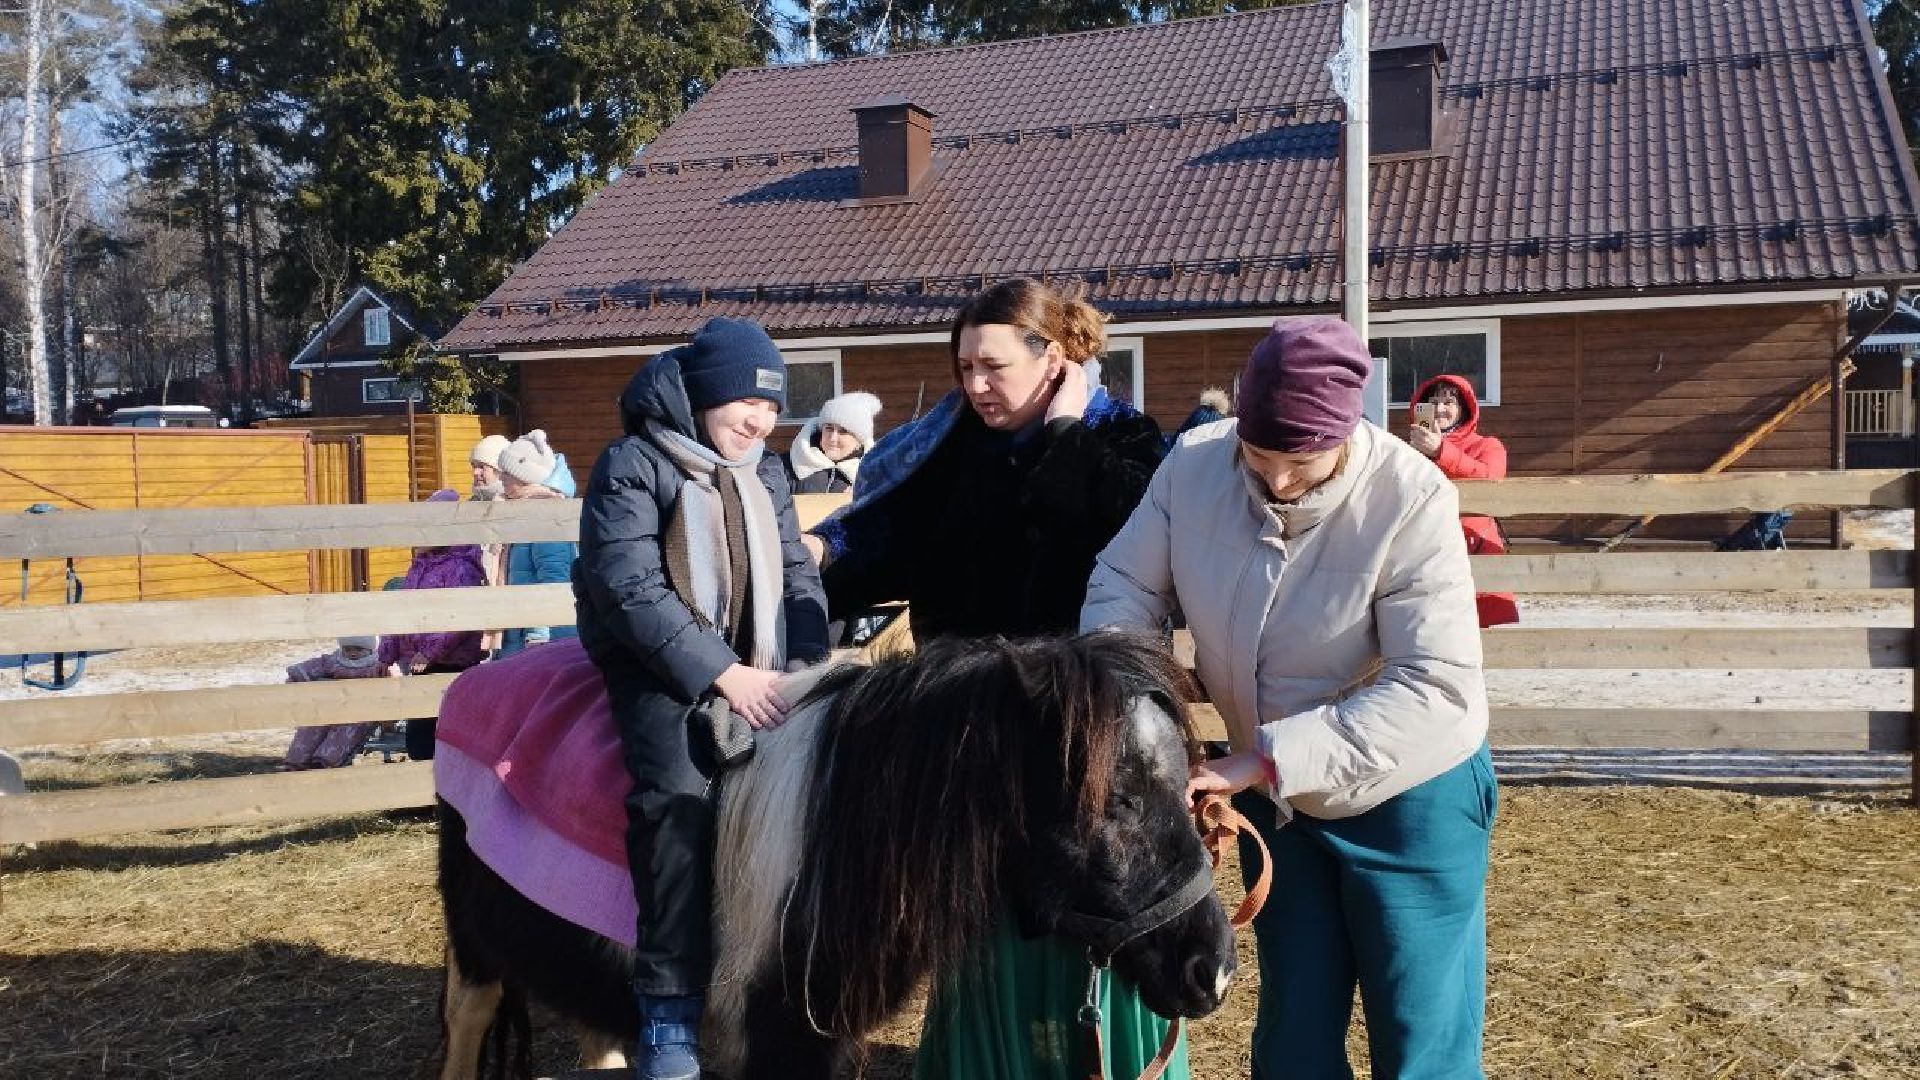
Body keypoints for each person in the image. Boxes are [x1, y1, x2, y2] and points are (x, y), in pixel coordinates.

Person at [1081, 316, 1496, 1080]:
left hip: (1411, 796)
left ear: (1346, 432)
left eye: (1300, 461)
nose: (1274, 478)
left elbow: (1433, 685)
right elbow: (1124, 582)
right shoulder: (1195, 465)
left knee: (1419, 1039)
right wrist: (1136, 707)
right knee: (1293, 1035)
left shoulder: (1410, 497)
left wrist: (1264, 759)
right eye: (1259, 453)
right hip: (1282, 802)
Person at [804, 277, 1174, 1079]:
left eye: (993, 366)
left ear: (1056, 360)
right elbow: (890, 541)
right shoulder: (950, 452)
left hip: (1077, 729)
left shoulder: (1125, 442)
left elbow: (1132, 535)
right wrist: (819, 566)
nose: (974, 385)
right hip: (970, 724)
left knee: (1084, 893)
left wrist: (1069, 435)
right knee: (979, 908)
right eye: (964, 366)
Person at [572, 316, 830, 1080]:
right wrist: (721, 674)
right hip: (659, 666)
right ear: (702, 391)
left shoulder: (768, 471)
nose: (758, 419)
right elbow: (629, 587)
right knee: (677, 801)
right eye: (744, 402)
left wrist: (812, 663)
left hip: (766, 661)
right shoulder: (632, 464)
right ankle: (668, 1011)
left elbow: (798, 571)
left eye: (771, 407)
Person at [379, 489, 489, 762]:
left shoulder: (461, 568)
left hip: (449, 663)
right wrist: (388, 650)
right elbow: (403, 608)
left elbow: (460, 617)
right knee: (418, 735)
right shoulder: (420, 565)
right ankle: (421, 794)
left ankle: (441, 796)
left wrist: (430, 652)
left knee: (443, 733)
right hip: (419, 663)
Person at [1406, 375, 1519, 627]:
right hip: (1424, 551)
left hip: (1473, 549)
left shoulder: (1488, 445)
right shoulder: (1409, 450)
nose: (1440, 409)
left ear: (1463, 408)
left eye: (1448, 402)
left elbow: (1491, 478)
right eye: (1433, 402)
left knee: (1478, 638)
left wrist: (1441, 452)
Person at [494, 430, 580, 657]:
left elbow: (555, 577)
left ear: (524, 475)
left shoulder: (545, 516)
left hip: (541, 640)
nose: (501, 478)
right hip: (521, 633)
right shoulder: (524, 514)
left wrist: (539, 634)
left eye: (506, 473)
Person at [279, 635, 390, 769]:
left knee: (344, 732)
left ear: (370, 649)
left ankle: (325, 760)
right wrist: (295, 677)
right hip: (331, 707)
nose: (353, 653)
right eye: (347, 649)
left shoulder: (378, 664)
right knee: (312, 726)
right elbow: (313, 666)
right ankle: (297, 759)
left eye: (359, 649)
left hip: (360, 711)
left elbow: (392, 681)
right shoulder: (335, 661)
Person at [785, 391, 882, 494]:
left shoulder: (876, 476)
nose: (833, 438)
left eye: (843, 431)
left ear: (858, 441)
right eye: (829, 428)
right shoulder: (788, 465)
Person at [470, 434, 511, 501]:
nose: (475, 472)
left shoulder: (513, 505)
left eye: (481, 467)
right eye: (474, 466)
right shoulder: (473, 502)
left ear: (501, 471)